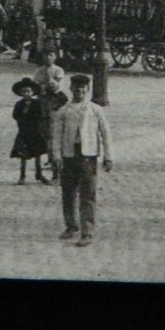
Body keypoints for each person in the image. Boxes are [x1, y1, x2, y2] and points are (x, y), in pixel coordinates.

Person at [51, 73, 113, 247]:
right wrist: (56, 156)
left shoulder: (95, 110)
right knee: (68, 192)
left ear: (87, 90)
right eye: (76, 88)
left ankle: (87, 231)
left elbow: (105, 133)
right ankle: (71, 225)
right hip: (69, 155)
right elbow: (56, 135)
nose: (79, 91)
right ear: (71, 89)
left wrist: (108, 157)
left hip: (88, 155)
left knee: (88, 193)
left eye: (83, 88)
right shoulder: (63, 111)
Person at [9, 77, 51, 185]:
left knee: (37, 154)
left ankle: (39, 173)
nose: (26, 94)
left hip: (35, 131)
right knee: (23, 154)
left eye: (28, 91)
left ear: (32, 92)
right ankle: (22, 175)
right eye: (23, 91)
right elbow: (15, 115)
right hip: (23, 132)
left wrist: (32, 120)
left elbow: (40, 115)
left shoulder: (37, 103)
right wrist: (22, 118)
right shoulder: (19, 104)